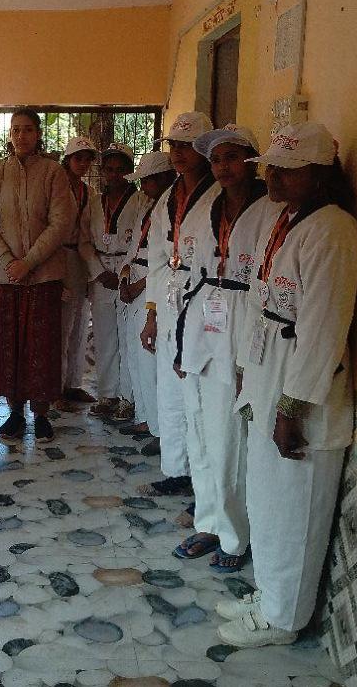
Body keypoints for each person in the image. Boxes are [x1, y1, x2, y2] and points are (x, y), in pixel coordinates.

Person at [216, 122, 357, 648]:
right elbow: (262, 303)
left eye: (288, 170)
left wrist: (290, 408)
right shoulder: (286, 219)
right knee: (268, 506)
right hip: (267, 378)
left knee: (294, 513)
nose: (274, 178)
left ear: (320, 174)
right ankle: (268, 595)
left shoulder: (333, 231)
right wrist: (247, 372)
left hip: (299, 401)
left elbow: (322, 330)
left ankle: (283, 620)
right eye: (271, 169)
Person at [174, 125, 280, 573]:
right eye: (217, 160)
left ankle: (235, 538)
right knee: (199, 430)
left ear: (252, 161)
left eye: (233, 157)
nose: (223, 167)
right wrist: (182, 344)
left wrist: (248, 360)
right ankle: (208, 522)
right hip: (203, 319)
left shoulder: (271, 210)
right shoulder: (207, 207)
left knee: (229, 441)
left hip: (241, 321)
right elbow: (192, 270)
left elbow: (267, 285)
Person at [0, 108, 74, 443]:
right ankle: (15, 413)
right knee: (8, 347)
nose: (21, 136)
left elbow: (61, 223)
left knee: (42, 346)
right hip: (6, 278)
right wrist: (9, 261)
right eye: (16, 130)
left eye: (28, 129)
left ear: (38, 134)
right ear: (10, 134)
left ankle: (42, 415)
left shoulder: (53, 172)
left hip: (43, 276)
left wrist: (29, 262)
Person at [140, 112, 217, 498]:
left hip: (202, 297)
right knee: (169, 389)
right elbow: (156, 257)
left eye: (188, 146)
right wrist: (151, 313)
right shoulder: (168, 198)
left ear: (205, 150)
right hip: (169, 295)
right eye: (174, 146)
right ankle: (176, 470)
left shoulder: (218, 194)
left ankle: (202, 482)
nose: (179, 153)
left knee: (197, 393)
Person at [118, 151, 178, 445]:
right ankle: (144, 416)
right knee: (135, 356)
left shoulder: (175, 209)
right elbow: (134, 250)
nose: (143, 187)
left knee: (150, 358)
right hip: (135, 279)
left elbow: (168, 260)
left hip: (153, 285)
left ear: (165, 178)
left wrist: (141, 285)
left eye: (148, 181)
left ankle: (159, 428)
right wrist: (124, 278)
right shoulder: (149, 207)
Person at [80, 143, 140, 421]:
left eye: (121, 169)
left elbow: (142, 242)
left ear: (130, 171)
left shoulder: (141, 201)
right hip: (102, 273)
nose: (114, 175)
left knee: (128, 337)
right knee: (105, 337)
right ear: (102, 171)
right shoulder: (94, 203)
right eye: (110, 169)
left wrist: (124, 273)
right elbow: (83, 241)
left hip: (128, 273)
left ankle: (129, 396)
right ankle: (108, 394)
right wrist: (98, 271)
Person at [58, 136, 99, 410]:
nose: (83, 164)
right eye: (78, 158)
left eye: (87, 159)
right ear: (68, 159)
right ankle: (55, 388)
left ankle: (73, 383)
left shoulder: (89, 192)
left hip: (81, 259)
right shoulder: (55, 186)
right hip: (57, 257)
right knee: (60, 328)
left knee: (80, 324)